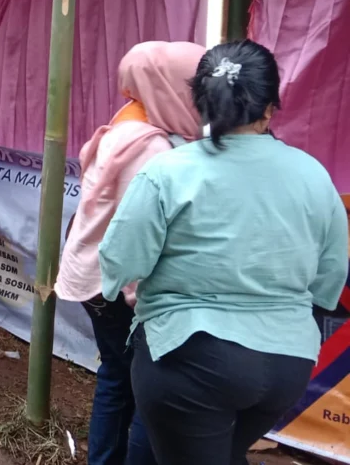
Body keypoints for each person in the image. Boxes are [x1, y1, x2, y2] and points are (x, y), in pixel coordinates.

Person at [99, 40, 348, 465]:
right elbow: (329, 280)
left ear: (201, 102)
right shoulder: (314, 176)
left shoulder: (168, 171)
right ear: (270, 108)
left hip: (190, 359)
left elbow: (121, 261)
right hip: (287, 362)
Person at [55, 41, 205, 465]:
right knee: (140, 386)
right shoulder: (150, 147)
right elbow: (137, 235)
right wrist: (148, 304)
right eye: (193, 88)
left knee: (117, 377)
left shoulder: (129, 121)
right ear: (169, 87)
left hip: (97, 277)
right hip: (117, 287)